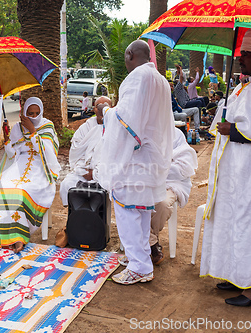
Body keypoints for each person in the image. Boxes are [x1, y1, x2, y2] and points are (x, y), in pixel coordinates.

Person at [95, 40, 174, 285]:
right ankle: (138, 258)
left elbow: (124, 120)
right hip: (151, 158)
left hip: (134, 159)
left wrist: (106, 111)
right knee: (140, 212)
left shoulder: (137, 77)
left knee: (129, 213)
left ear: (130, 55)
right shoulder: (160, 79)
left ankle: (139, 267)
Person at [200, 28, 251, 307]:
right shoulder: (246, 84)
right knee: (230, 221)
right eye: (241, 53)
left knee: (250, 225)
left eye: (247, 54)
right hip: (233, 173)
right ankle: (236, 275)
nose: (241, 58)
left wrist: (233, 129)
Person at [0, 97, 60, 253]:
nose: (34, 116)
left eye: (37, 113)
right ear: (24, 112)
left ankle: (19, 237)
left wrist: (32, 131)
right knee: (4, 187)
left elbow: (48, 154)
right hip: (20, 164)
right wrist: (8, 140)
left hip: (41, 167)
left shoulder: (47, 126)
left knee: (23, 191)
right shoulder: (17, 128)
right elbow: (12, 154)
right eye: (30, 113)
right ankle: (5, 234)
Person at [149, 128, 197, 264]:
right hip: (143, 181)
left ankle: (149, 243)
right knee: (130, 202)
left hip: (171, 183)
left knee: (162, 204)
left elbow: (183, 167)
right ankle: (152, 244)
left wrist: (157, 168)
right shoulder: (141, 129)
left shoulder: (176, 134)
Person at [59, 96, 109, 206]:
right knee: (67, 184)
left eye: (105, 106)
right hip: (83, 172)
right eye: (98, 106)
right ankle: (75, 216)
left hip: (104, 175)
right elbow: (76, 154)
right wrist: (84, 171)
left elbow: (115, 158)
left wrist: (95, 174)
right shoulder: (85, 128)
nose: (101, 109)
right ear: (94, 109)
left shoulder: (115, 129)